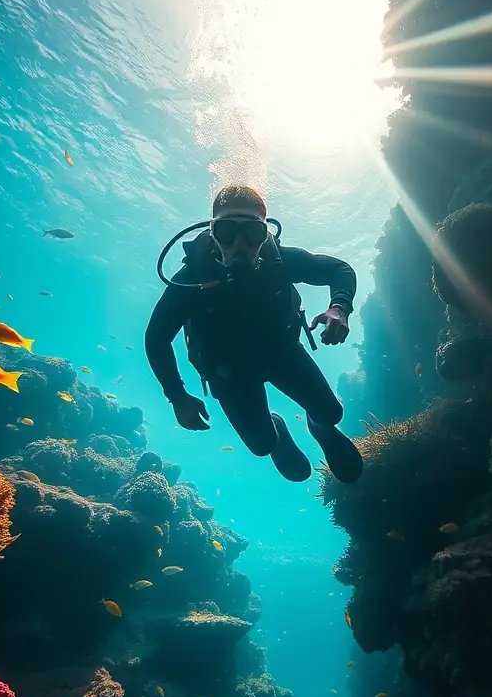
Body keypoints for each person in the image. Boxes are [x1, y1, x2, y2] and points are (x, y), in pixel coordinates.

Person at [145, 185, 364, 483]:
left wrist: (339, 308)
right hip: (227, 374)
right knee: (263, 445)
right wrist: (177, 395)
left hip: (282, 354)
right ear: (212, 232)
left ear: (266, 232)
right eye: (226, 231)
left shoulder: (281, 262)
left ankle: (320, 426)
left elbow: (339, 269)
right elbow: (156, 339)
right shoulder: (192, 280)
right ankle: (276, 428)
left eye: (252, 232)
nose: (239, 244)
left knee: (331, 414)